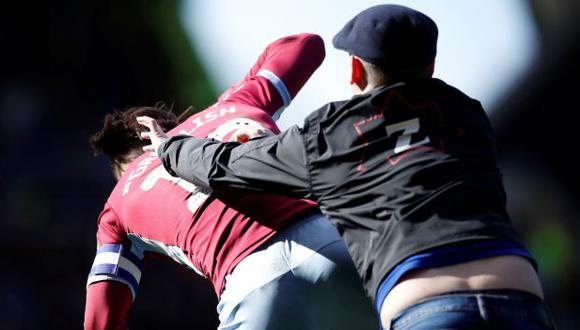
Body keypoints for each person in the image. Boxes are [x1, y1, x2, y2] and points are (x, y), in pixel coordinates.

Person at [141, 5, 556, 330]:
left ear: (355, 68)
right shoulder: (469, 116)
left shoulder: (331, 135)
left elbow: (228, 166)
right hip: (519, 290)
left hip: (425, 305)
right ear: (430, 66)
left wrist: (170, 146)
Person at [84, 33, 378, 330]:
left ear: (123, 168)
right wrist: (235, 95)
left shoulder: (117, 204)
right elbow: (307, 44)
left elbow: (99, 322)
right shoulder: (236, 104)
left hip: (250, 286)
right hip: (334, 241)